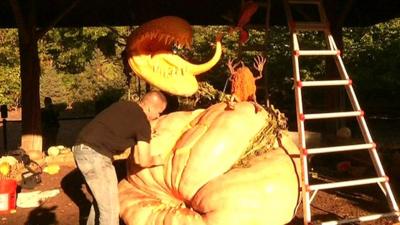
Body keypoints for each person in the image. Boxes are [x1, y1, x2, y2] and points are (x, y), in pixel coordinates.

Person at [72, 90, 167, 225]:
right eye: (159, 112)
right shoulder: (142, 122)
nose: (158, 117)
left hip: (80, 149)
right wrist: (159, 159)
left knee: (102, 204)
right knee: (111, 211)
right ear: (150, 107)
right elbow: (143, 160)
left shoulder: (123, 105)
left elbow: (119, 131)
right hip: (96, 155)